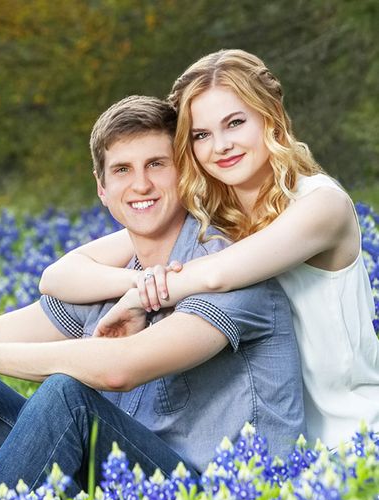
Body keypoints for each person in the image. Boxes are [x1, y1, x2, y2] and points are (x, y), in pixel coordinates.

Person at [0, 95, 305, 500]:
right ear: (102, 189)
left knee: (66, 397)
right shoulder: (103, 281)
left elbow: (119, 369)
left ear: (185, 172)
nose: (141, 185)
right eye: (122, 170)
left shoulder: (229, 265)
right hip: (121, 486)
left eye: (156, 164)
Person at [39, 49, 379, 450]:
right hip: (277, 443)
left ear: (269, 117)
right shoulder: (216, 213)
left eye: (235, 123)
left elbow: (218, 274)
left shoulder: (320, 205)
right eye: (201, 135)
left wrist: (139, 298)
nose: (220, 146)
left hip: (352, 438)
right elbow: (58, 275)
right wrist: (141, 280)